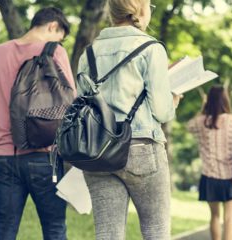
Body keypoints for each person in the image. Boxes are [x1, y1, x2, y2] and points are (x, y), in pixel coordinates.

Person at [76, 0, 180, 239]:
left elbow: (82, 104)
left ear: (111, 13)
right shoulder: (151, 48)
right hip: (142, 147)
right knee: (156, 231)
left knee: (108, 233)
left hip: (98, 151)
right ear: (142, 10)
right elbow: (162, 112)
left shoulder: (88, 53)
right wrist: (173, 101)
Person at [0, 7, 76, 240]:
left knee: (4, 229)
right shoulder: (55, 52)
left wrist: (2, 106)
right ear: (53, 26)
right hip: (45, 156)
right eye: (60, 36)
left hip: (4, 158)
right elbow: (71, 102)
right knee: (54, 228)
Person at [187, 86, 232, 240]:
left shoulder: (201, 121)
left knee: (214, 217)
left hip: (210, 177)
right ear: (225, 100)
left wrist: (203, 107)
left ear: (209, 102)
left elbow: (189, 127)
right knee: (229, 219)